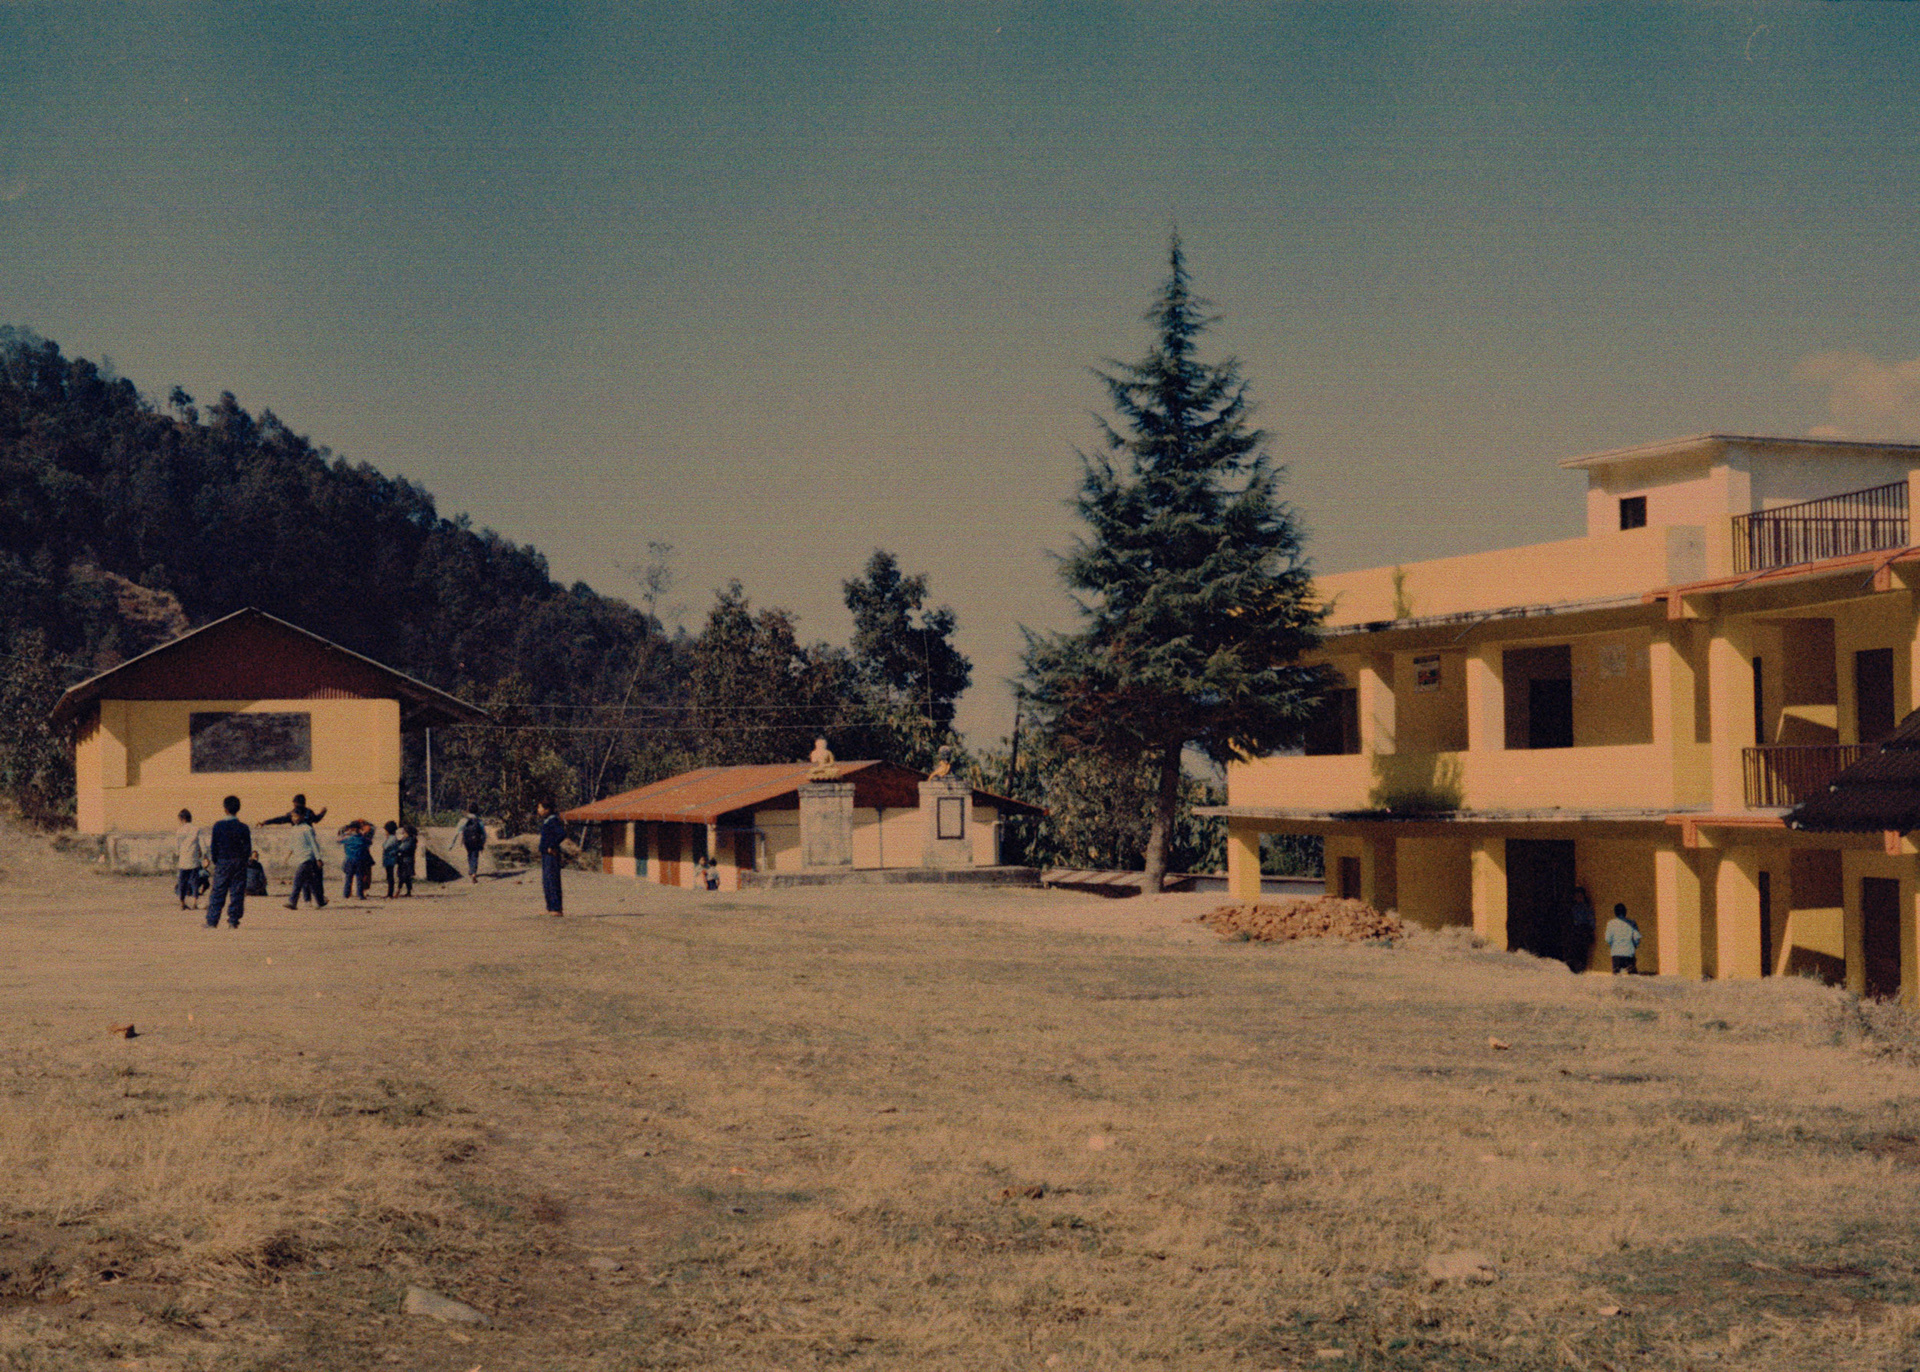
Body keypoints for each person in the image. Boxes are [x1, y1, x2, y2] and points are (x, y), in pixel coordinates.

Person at [205, 795, 250, 930]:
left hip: (223, 862)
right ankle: (233, 920)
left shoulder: (218, 826)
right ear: (238, 809)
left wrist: (216, 860)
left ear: (225, 809)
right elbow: (247, 848)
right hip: (239, 862)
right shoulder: (243, 827)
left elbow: (214, 847)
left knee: (218, 891)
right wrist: (243, 860)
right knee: (237, 891)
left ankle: (212, 921)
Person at [285, 812, 327, 909]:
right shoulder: (294, 829)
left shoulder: (307, 829)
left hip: (308, 858)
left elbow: (313, 844)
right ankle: (320, 901)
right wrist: (288, 856)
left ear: (302, 816)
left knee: (297, 881)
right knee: (311, 882)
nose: (293, 818)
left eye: (296, 816)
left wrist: (318, 858)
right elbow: (292, 845)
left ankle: (292, 902)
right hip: (300, 859)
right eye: (292, 817)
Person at [537, 798, 566, 917]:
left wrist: (552, 845)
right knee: (547, 881)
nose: (538, 810)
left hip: (551, 855)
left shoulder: (553, 820)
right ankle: (550, 907)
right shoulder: (547, 821)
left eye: (540, 808)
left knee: (553, 880)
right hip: (545, 855)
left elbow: (562, 834)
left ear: (547, 809)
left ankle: (556, 908)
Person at [174, 808, 203, 910]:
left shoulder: (179, 831)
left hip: (183, 860)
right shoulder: (196, 829)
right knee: (195, 881)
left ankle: (182, 903)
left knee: (182, 882)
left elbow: (177, 847)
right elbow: (200, 844)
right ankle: (195, 902)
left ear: (182, 819)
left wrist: (178, 854)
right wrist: (203, 854)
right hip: (193, 859)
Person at [339, 820, 373, 900]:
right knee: (360, 878)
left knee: (348, 877)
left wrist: (344, 834)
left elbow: (339, 841)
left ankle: (346, 894)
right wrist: (364, 834)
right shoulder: (362, 839)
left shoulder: (348, 838)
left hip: (349, 859)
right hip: (360, 859)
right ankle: (360, 894)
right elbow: (369, 842)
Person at [1605, 903, 1642, 975]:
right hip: (1629, 953)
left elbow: (1608, 939)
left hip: (1616, 954)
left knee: (1617, 978)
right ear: (1625, 912)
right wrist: (1635, 946)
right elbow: (1636, 938)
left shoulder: (1611, 923)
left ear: (1615, 912)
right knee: (1633, 978)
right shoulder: (1632, 923)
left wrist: (1612, 946)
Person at [1567, 885, 1597, 974]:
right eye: (1576, 896)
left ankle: (1581, 970)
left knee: (1583, 953)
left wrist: (1591, 932)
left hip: (1584, 931)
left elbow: (1591, 922)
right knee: (1576, 952)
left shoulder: (1587, 908)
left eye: (1580, 896)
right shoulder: (1574, 908)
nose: (1578, 898)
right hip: (1576, 932)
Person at [259, 792, 328, 829]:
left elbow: (280, 820)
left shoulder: (295, 813)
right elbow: (316, 819)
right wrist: (322, 813)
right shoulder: (308, 812)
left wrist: (265, 822)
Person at [459, 809, 488, 883]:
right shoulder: (479, 821)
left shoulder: (465, 820)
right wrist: (483, 842)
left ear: (468, 811)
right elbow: (484, 834)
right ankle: (474, 873)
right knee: (475, 856)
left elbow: (460, 830)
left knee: (469, 854)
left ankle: (471, 870)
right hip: (476, 841)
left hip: (467, 841)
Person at [381, 821, 402, 898]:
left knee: (390, 877)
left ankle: (390, 893)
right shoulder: (392, 838)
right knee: (389, 876)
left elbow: (385, 846)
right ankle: (389, 893)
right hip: (389, 859)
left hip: (390, 859)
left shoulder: (392, 838)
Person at [396, 824, 418, 897]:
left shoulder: (410, 840)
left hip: (406, 861)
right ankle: (408, 891)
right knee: (406, 877)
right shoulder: (408, 840)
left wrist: (397, 848)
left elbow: (404, 848)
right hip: (405, 860)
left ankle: (398, 890)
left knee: (403, 876)